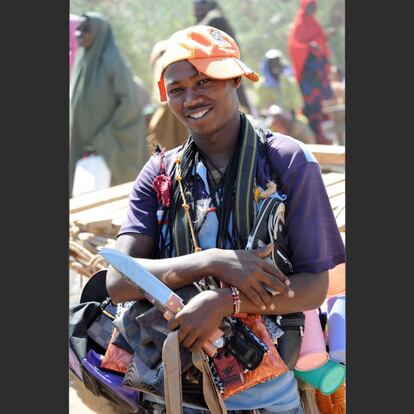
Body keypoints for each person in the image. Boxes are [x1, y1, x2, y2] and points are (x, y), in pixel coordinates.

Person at [106, 25, 345, 413]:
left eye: (203, 80)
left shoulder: (286, 163)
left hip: (263, 394)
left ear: (235, 77)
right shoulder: (161, 173)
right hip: (171, 389)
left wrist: (224, 301)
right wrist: (212, 261)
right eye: (178, 89)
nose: (191, 98)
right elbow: (118, 279)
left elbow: (314, 286)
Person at [69, 12, 148, 196]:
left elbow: (130, 104)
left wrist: (104, 138)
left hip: (108, 150)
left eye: (85, 30)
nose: (79, 34)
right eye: (78, 29)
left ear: (99, 32)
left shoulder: (112, 62)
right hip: (85, 150)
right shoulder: (82, 61)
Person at [193, 0, 256, 116]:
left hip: (224, 68)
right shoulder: (213, 18)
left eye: (200, 9)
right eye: (196, 9)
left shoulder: (215, 18)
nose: (197, 13)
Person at [287, 0, 334, 145]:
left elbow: (321, 43)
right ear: (304, 7)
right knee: (310, 105)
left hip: (317, 74)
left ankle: (320, 135)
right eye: (309, 7)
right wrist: (309, 46)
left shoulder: (315, 24)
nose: (312, 10)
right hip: (307, 74)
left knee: (319, 105)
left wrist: (323, 41)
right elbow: (294, 46)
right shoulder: (298, 25)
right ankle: (314, 136)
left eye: (314, 7)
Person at [253, 49, 304, 115]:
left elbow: (297, 104)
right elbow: (259, 108)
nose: (275, 65)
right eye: (272, 62)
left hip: (290, 117)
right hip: (270, 119)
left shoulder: (289, 82)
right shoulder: (261, 85)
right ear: (267, 65)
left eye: (277, 62)